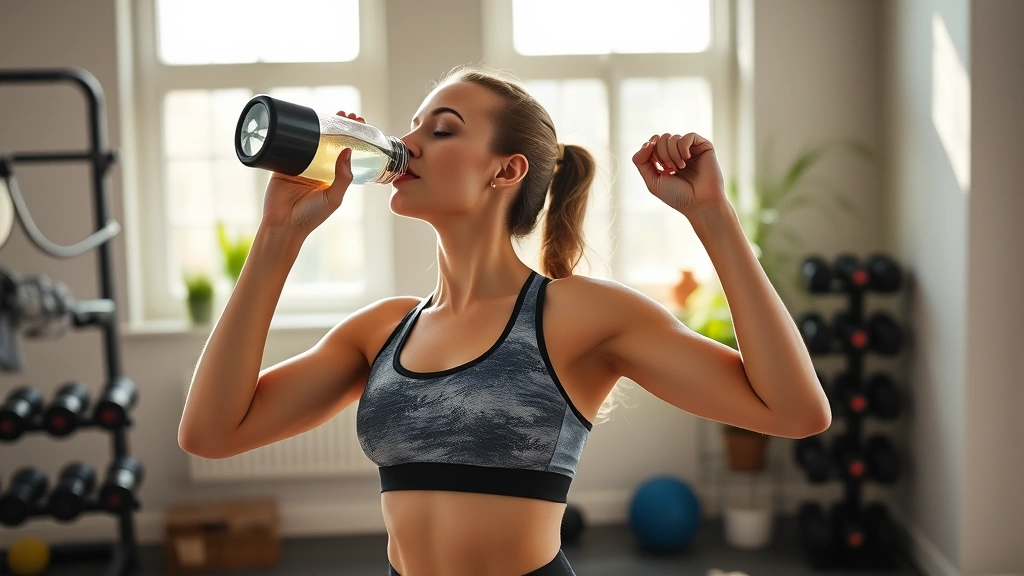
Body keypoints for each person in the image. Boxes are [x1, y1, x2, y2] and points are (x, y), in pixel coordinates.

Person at [178, 65, 831, 576]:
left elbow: (797, 412)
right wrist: (276, 238)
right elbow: (210, 432)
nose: (406, 145)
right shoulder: (380, 331)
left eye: (443, 128)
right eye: (412, 126)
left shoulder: (579, 314)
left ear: (507, 170)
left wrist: (712, 217)